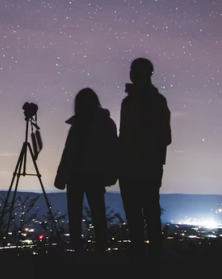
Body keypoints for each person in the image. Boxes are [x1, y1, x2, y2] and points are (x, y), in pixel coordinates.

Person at [54, 88, 119, 252]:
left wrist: (61, 176)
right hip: (91, 175)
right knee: (96, 213)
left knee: (78, 215)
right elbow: (113, 150)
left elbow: (68, 152)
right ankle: (100, 248)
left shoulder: (80, 125)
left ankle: (81, 248)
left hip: (82, 175)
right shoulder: (104, 123)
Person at [119, 57, 172, 257]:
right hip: (146, 165)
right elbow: (165, 137)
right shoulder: (152, 101)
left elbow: (162, 136)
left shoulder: (140, 101)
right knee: (148, 212)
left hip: (138, 166)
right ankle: (149, 259)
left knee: (140, 214)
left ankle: (142, 260)